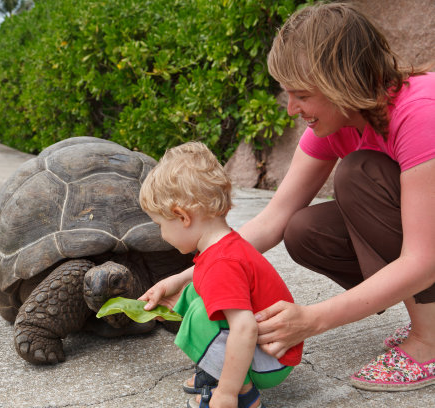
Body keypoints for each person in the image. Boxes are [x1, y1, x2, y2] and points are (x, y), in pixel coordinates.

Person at [142, 2, 435, 393]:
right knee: (305, 229)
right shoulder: (337, 123)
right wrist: (187, 278)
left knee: (359, 175)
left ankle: (429, 343)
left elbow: (424, 259)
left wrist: (314, 318)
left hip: (429, 254)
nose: (293, 109)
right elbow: (275, 218)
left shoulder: (420, 116)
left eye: (301, 95)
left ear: (341, 84)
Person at [138, 141, 303, 408]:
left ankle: (242, 393)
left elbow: (245, 328)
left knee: (199, 316)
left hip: (271, 359)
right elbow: (199, 277)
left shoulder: (222, 263)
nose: (161, 235)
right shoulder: (224, 245)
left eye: (160, 224)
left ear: (182, 217)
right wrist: (174, 281)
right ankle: (219, 371)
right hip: (275, 348)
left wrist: (227, 393)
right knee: (194, 291)